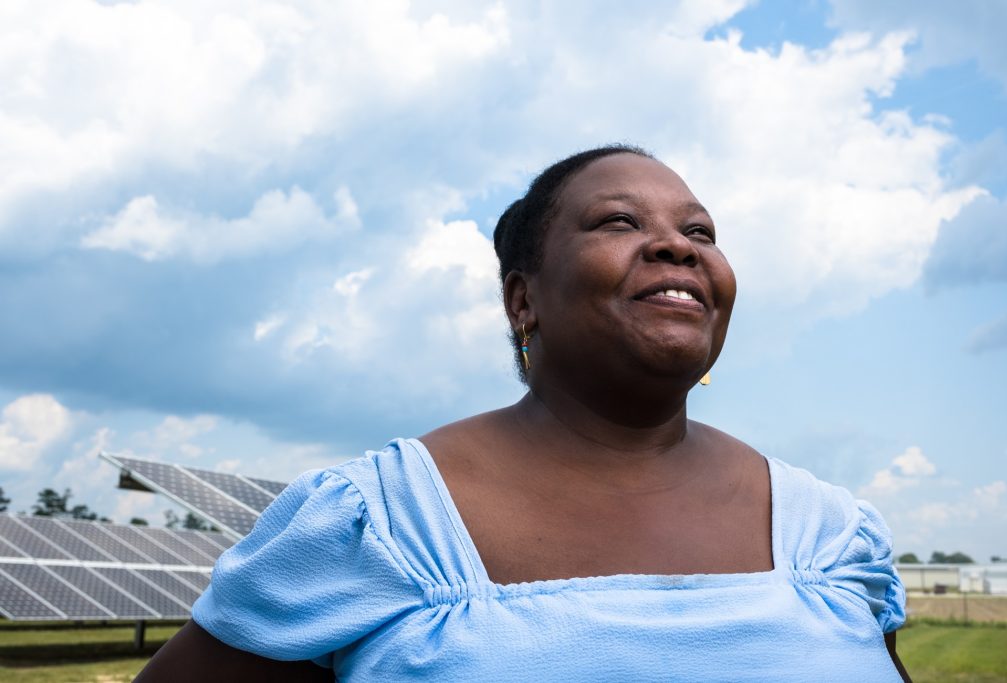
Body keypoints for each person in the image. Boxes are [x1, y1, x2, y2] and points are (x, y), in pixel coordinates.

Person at [137, 145, 910, 682]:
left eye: (699, 231)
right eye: (619, 221)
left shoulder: (832, 536)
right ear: (522, 299)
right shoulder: (377, 519)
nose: (678, 246)